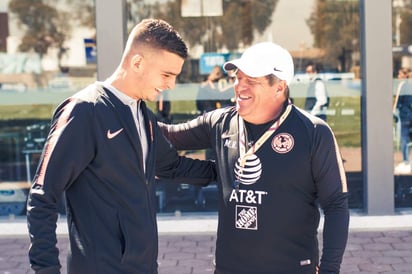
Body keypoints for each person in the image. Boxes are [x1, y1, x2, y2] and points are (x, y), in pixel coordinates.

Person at [26, 18, 216, 274]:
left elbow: (171, 166)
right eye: (166, 74)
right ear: (137, 62)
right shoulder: (84, 112)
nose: (171, 85)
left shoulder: (143, 115)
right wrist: (46, 270)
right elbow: (42, 196)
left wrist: (224, 171)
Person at [160, 42, 349, 274]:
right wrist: (126, 108)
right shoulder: (220, 123)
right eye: (237, 78)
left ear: (279, 87)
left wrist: (330, 269)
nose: (240, 87)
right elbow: (168, 135)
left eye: (251, 81)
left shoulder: (313, 132)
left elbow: (336, 205)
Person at [394, 67, 412, 174]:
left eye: (399, 74)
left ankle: (406, 161)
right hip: (408, 115)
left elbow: (398, 101)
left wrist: (395, 111)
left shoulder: (403, 85)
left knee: (404, 139)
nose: (398, 76)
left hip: (405, 116)